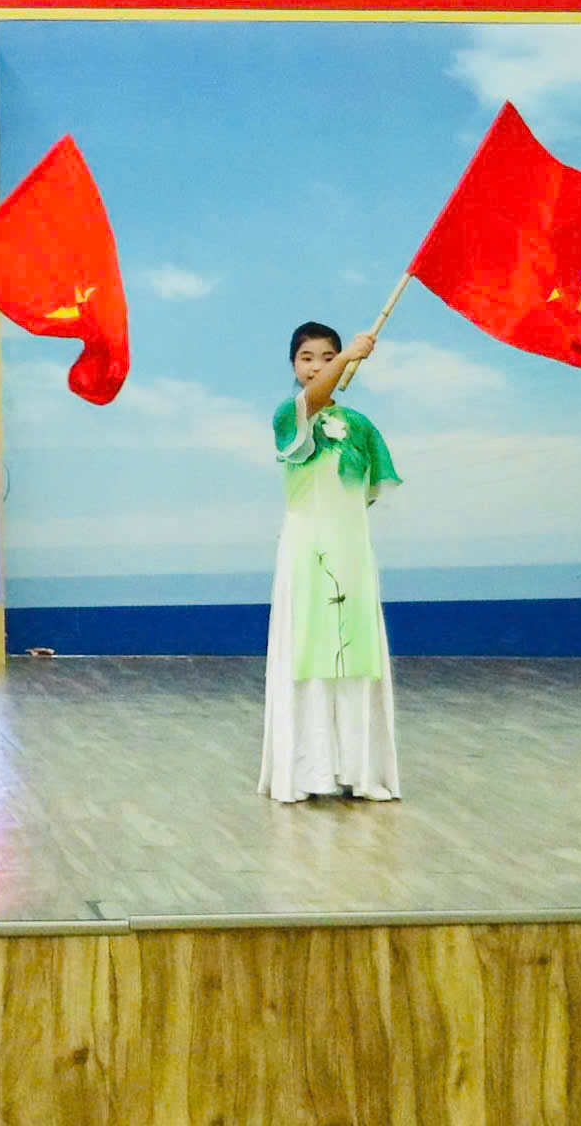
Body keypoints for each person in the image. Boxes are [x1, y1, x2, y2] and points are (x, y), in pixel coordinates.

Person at [260, 322, 401, 804]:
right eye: (307, 358)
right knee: (309, 651)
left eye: (327, 356)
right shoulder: (290, 415)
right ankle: (307, 774)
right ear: (293, 365)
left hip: (351, 551)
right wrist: (346, 359)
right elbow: (317, 396)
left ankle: (362, 773)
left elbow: (368, 493)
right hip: (305, 551)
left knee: (356, 655)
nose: (317, 365)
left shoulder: (360, 425)